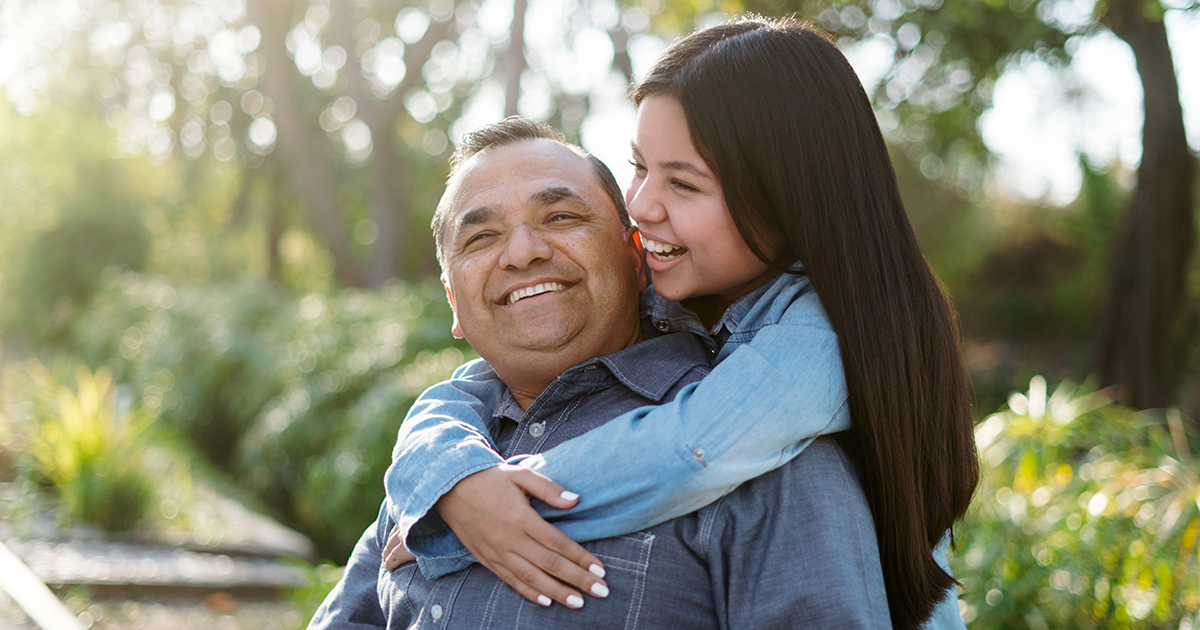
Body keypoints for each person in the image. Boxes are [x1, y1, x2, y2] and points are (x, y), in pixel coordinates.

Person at [379, 16, 979, 630]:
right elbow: (468, 386)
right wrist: (447, 474)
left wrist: (491, 507)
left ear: (786, 199)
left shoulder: (814, 349)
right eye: (639, 166)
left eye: (684, 184)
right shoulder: (677, 299)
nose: (639, 206)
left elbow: (685, 450)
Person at [308, 117, 891, 629]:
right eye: (482, 236)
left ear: (639, 256)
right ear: (453, 303)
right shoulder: (442, 463)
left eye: (560, 216)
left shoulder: (767, 455)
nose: (522, 252)